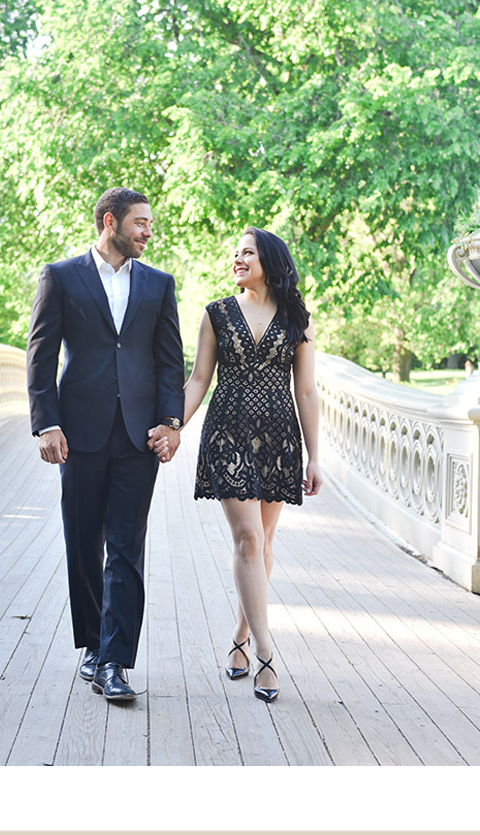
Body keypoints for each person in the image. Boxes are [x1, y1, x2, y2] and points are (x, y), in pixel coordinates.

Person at [26, 188, 185, 701]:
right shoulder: (62, 276)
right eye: (140, 222)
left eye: (151, 223)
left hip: (139, 437)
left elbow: (169, 361)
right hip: (79, 432)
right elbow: (40, 352)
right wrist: (46, 424)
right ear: (109, 221)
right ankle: (92, 643)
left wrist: (171, 421)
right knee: (82, 541)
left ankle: (114, 660)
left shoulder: (159, 285)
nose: (148, 231)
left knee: (126, 548)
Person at [153, 228, 322, 703]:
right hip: (228, 433)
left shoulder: (297, 319)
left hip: (278, 438)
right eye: (235, 253)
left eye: (247, 252)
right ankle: (267, 652)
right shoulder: (217, 314)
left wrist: (315, 456)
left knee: (264, 542)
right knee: (248, 538)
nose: (238, 258)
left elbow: (306, 391)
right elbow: (199, 379)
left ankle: (241, 636)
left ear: (269, 259)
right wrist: (173, 425)